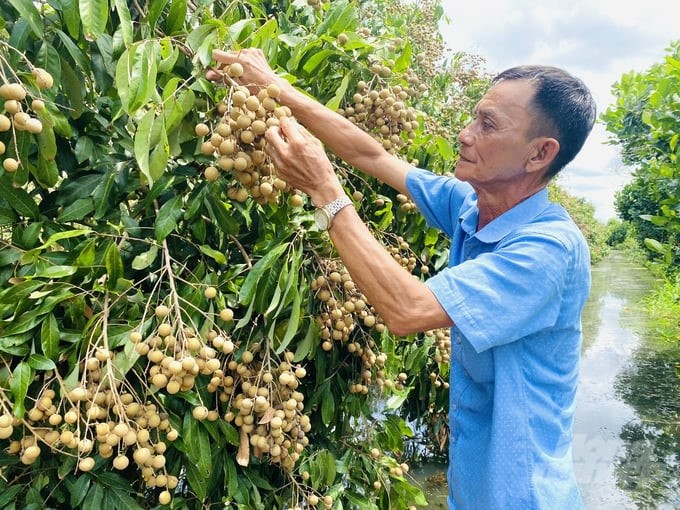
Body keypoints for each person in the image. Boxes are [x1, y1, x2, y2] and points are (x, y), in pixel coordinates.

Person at [209, 48, 596, 509]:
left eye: (487, 126)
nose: (465, 135)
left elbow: (408, 311)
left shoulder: (549, 250)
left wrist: (324, 190)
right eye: (473, 119)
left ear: (540, 154)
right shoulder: (472, 207)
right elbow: (369, 152)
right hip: (473, 492)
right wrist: (276, 88)